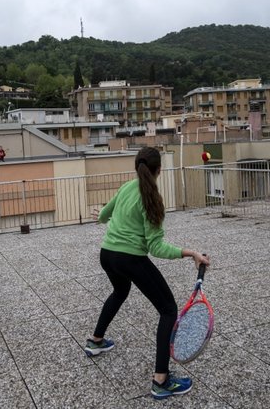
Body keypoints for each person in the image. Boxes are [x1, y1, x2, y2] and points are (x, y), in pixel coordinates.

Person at [85, 146, 210, 400]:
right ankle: (161, 381)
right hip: (130, 258)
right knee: (168, 310)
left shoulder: (125, 188)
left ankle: (95, 340)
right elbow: (156, 247)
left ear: (137, 167)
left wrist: (107, 217)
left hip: (107, 254)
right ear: (159, 171)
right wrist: (191, 253)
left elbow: (103, 216)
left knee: (120, 291)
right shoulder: (152, 198)